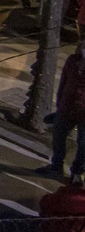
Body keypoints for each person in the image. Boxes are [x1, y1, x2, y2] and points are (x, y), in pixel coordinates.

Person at [45, 38, 85, 178]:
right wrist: (60, 101)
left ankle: (77, 172)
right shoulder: (72, 61)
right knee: (58, 135)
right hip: (67, 106)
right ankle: (56, 165)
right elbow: (64, 81)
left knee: (83, 144)